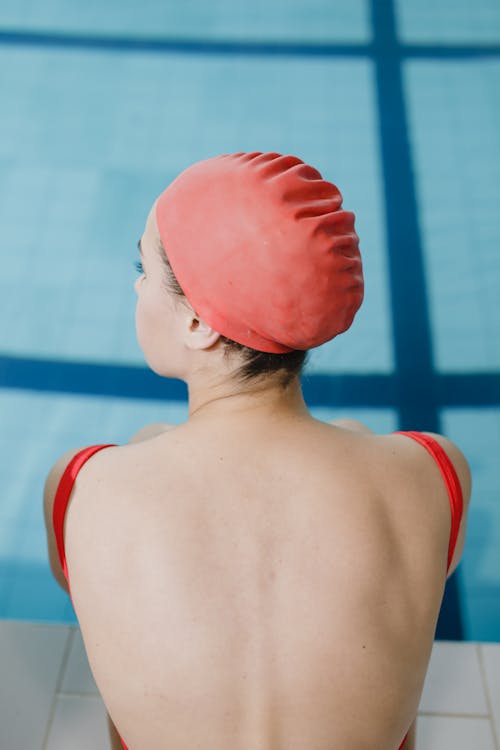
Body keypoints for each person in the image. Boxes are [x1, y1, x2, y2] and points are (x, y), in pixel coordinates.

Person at [43, 152, 471, 750]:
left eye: (144, 267)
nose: (138, 285)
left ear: (199, 323)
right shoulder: (435, 471)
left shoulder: (82, 487)